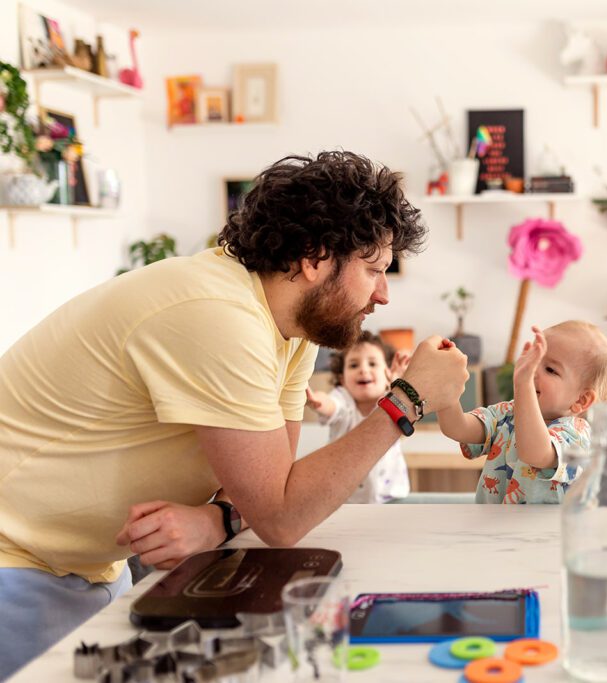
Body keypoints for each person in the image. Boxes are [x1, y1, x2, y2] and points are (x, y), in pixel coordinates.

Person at [0, 150, 469, 678]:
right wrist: (405, 401)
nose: (383, 294)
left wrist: (218, 517)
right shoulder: (218, 315)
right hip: (17, 563)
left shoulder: (287, 327)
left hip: (90, 567)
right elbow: (282, 517)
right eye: (374, 270)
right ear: (315, 257)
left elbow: (275, 487)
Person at [437, 322, 607, 504]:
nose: (533, 370)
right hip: (493, 530)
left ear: (581, 401)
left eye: (550, 369)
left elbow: (535, 453)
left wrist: (523, 383)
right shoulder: (508, 412)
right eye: (534, 360)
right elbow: (458, 428)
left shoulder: (577, 436)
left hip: (546, 534)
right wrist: (444, 389)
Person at [305, 331, 411, 503]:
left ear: (387, 375)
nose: (363, 369)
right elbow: (331, 405)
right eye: (354, 365)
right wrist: (318, 401)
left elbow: (404, 407)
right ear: (342, 378)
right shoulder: (343, 400)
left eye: (372, 364)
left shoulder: (391, 399)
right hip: (344, 498)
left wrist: (398, 383)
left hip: (390, 495)